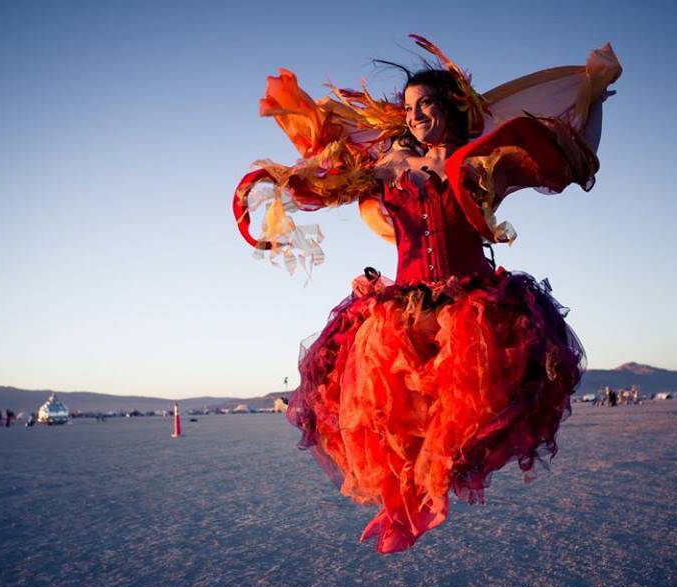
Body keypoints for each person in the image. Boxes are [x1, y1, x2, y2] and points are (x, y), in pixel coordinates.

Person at [234, 36, 621, 553]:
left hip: (473, 307)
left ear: (454, 107)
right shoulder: (389, 167)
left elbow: (571, 161)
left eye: (426, 105)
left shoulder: (481, 162)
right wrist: (268, 186)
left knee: (466, 421)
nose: (415, 115)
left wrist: (592, 98)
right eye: (409, 108)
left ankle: (424, 500)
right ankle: (402, 507)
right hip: (403, 309)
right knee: (387, 417)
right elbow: (318, 185)